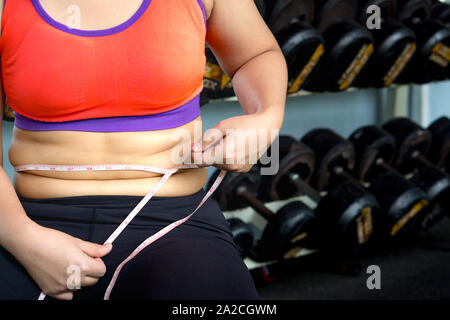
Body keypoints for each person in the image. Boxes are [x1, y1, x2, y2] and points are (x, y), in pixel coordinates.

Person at [0, 0, 287, 300]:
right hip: (31, 221)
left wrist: (265, 118)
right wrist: (25, 240)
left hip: (175, 223)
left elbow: (256, 55)